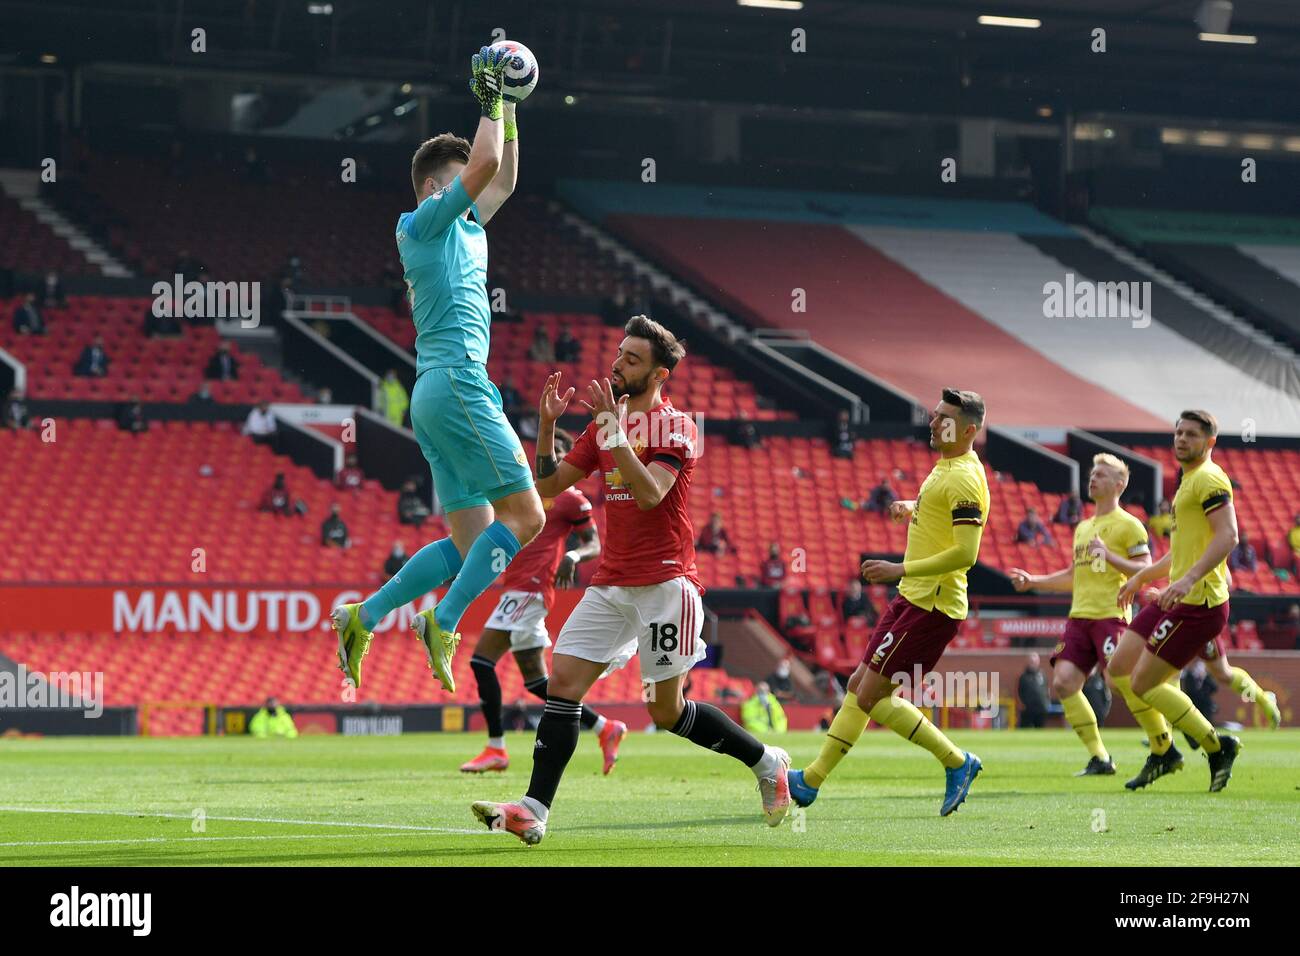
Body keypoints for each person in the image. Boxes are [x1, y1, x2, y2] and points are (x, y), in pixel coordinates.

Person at [471, 315, 791, 845]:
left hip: (667, 584)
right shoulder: (601, 426)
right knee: (564, 684)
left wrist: (615, 434)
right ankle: (533, 809)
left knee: (665, 711)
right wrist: (548, 425)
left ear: (660, 374)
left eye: (632, 359)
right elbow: (548, 486)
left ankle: (764, 762)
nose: (618, 364)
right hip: (612, 582)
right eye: (619, 354)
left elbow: (650, 494)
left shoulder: (678, 427)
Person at [330, 58, 550, 699]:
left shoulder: (470, 226)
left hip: (437, 390)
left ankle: (361, 617)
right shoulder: (421, 223)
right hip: (457, 383)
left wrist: (507, 105)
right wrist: (485, 98)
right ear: (433, 189)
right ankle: (444, 621)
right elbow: (482, 169)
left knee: (471, 540)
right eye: (458, 185)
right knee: (527, 517)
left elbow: (500, 175)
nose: (472, 193)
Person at [788, 388, 988, 816]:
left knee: (873, 696)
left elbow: (967, 554)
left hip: (931, 606)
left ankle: (956, 761)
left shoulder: (964, 476)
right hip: (911, 599)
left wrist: (900, 568)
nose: (934, 423)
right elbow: (942, 516)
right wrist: (913, 508)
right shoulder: (947, 467)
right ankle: (809, 781)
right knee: (859, 686)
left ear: (969, 429)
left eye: (945, 419)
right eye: (935, 416)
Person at [461, 428, 626, 775]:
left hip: (532, 589)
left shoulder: (571, 499)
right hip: (516, 587)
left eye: (557, 453)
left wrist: (575, 556)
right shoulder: (527, 493)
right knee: (537, 682)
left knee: (481, 661)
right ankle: (605, 727)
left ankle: (496, 748)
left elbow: (594, 543)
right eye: (544, 453)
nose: (548, 459)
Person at [1114, 410, 1244, 791]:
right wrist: (1142, 575)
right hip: (1175, 596)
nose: (1181, 439)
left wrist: (1187, 580)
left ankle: (1214, 745)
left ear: (1210, 442)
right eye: (1178, 432)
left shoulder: (1209, 478)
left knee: (1141, 682)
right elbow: (1182, 551)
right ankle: (1170, 748)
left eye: (1191, 434)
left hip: (1199, 603)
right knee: (1119, 666)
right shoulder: (1186, 483)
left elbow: (1229, 536)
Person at [1009, 454, 1152, 775]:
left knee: (1121, 682)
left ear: (1120, 484)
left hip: (1111, 615)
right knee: (1063, 683)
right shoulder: (1083, 527)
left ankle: (1162, 743)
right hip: (1079, 618)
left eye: (1101, 474)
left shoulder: (1129, 525)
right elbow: (1073, 575)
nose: (1093, 478)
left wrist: (1110, 556)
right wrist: (1035, 581)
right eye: (1092, 473)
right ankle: (1100, 757)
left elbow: (1145, 569)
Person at [1180, 660, 1218, 741]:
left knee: (1207, 720)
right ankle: (1194, 739)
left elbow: (1214, 687)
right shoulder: (1188, 674)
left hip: (1204, 703)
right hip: (1193, 702)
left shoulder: (1206, 676)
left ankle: (1210, 737)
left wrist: (1205, 677)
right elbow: (1188, 689)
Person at [1017, 653, 1049, 729]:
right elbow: (1017, 691)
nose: (1033, 663)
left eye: (1034, 661)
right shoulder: (1023, 676)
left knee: (1040, 730)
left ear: (1038, 662)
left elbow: (1046, 688)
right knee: (1024, 730)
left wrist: (1047, 702)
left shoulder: (1042, 674)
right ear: (1028, 662)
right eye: (1031, 661)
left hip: (1041, 708)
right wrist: (1020, 704)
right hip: (1027, 709)